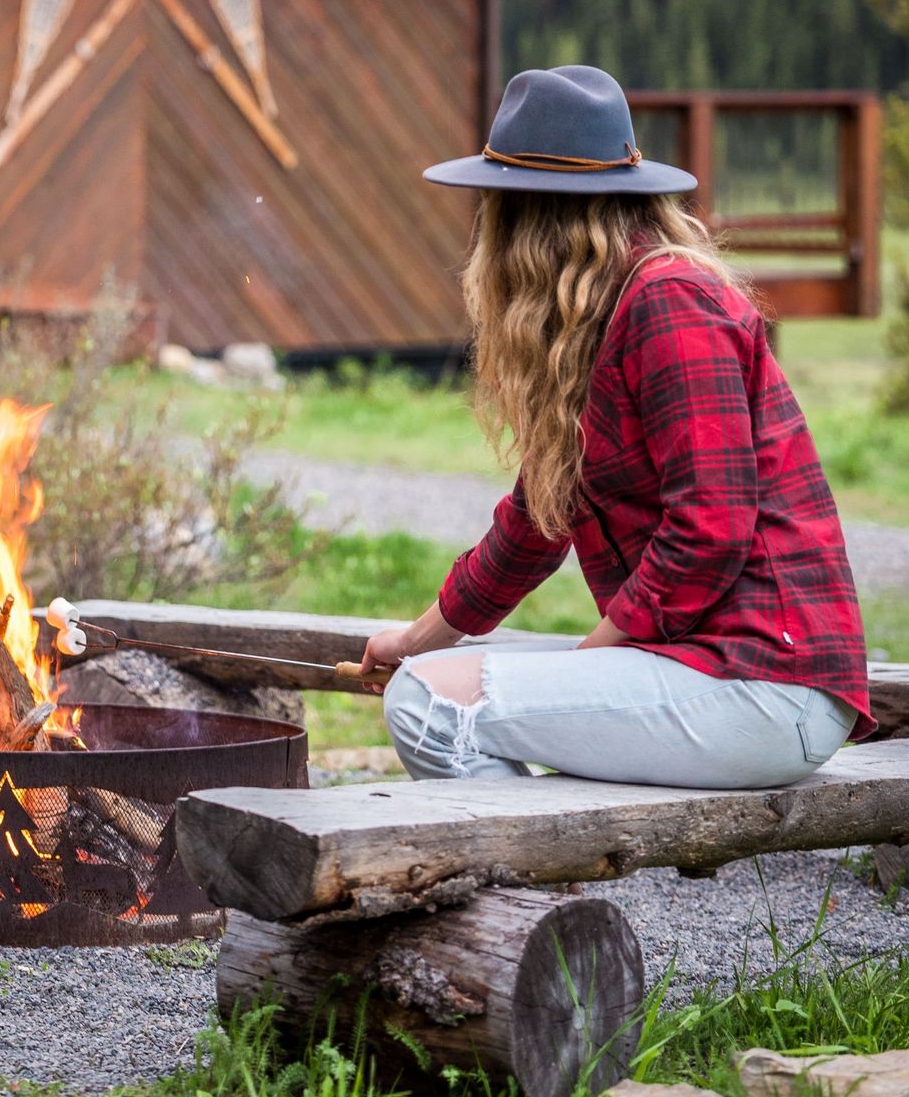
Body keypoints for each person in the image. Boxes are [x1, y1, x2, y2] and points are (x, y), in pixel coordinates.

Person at [362, 65, 871, 790]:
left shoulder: (671, 302)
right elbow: (535, 524)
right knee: (429, 677)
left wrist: (592, 657)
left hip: (764, 686)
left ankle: (532, 887)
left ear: (526, 218)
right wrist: (414, 640)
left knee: (431, 704)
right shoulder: (596, 323)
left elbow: (711, 527)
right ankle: (543, 889)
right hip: (702, 668)